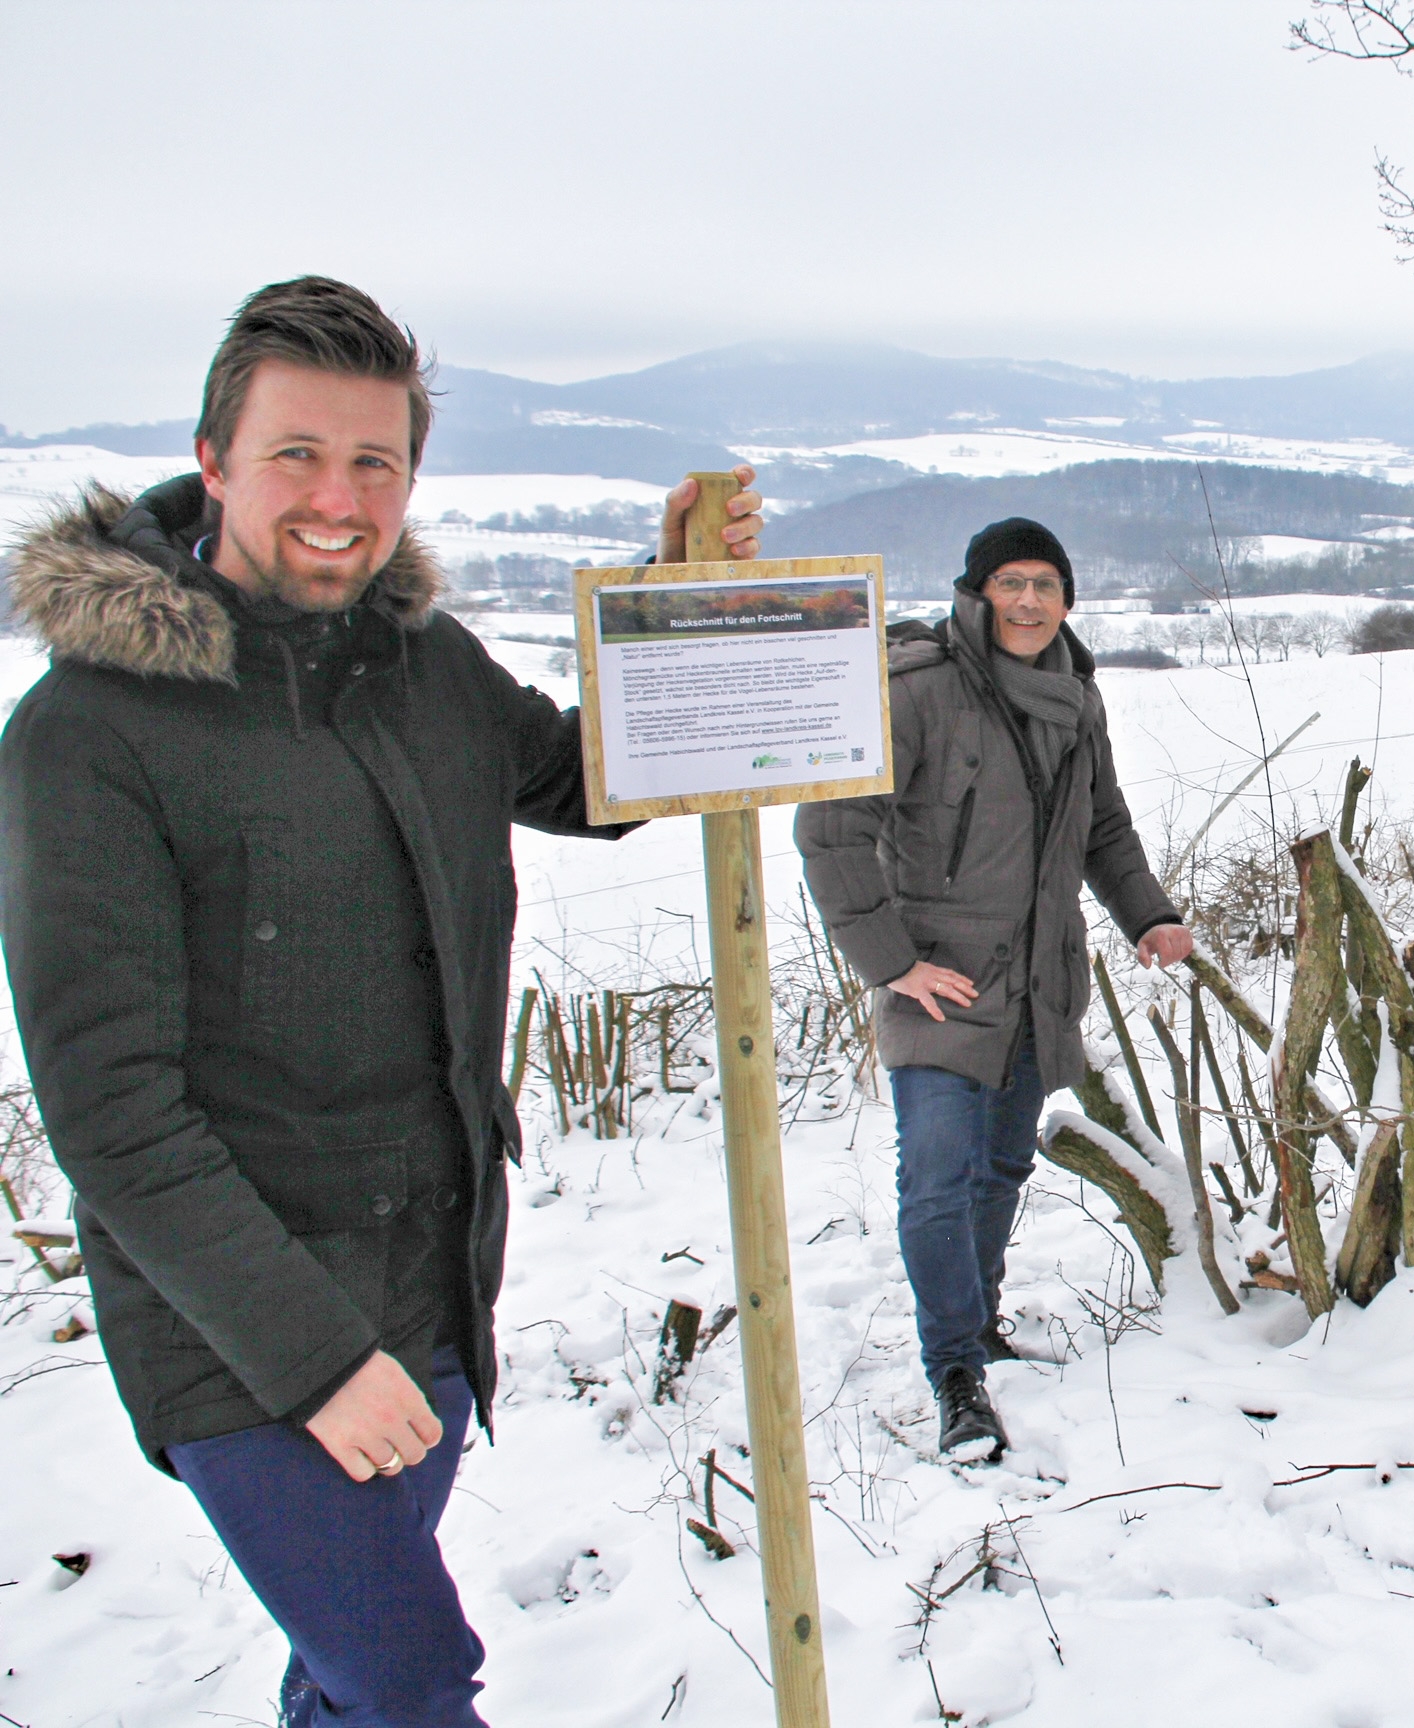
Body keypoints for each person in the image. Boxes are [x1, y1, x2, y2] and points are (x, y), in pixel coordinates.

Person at [0, 277, 765, 1727]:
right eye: (297, 453)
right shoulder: (90, 734)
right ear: (215, 459)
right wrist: (316, 1363)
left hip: (431, 1283)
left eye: (376, 461)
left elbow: (599, 781)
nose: (340, 497)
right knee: (412, 1680)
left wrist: (678, 605)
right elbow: (111, 1114)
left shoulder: (425, 667)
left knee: (347, 1679)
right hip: (240, 1327)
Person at [797, 517, 1187, 1464]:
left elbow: (1105, 827)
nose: (1027, 601)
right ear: (977, 592)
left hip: (1038, 977)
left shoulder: (1075, 698)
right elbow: (830, 829)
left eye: (1045, 585)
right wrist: (891, 963)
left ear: (1066, 600)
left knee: (1002, 1169)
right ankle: (953, 1373)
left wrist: (1148, 917)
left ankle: (977, 1327)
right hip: (940, 982)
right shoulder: (916, 691)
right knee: (937, 1177)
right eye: (1010, 583)